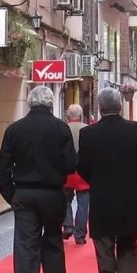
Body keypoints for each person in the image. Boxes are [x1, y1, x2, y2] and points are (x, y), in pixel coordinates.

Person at [0, 86, 77, 273]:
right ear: (50, 103)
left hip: (24, 193)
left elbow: (4, 167)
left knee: (26, 247)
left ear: (30, 103)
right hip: (52, 193)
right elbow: (71, 164)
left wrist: (11, 195)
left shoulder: (15, 129)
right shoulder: (60, 128)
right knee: (53, 243)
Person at [77, 87, 137, 273]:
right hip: (129, 197)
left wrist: (96, 180)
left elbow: (82, 166)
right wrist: (134, 175)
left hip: (101, 199)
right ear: (120, 106)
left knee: (104, 250)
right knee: (128, 245)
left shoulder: (88, 134)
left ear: (100, 108)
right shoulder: (136, 129)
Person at [63, 104, 90, 245]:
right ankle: (80, 234)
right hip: (83, 172)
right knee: (83, 205)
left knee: (65, 201)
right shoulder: (87, 129)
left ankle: (68, 225)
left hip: (66, 172)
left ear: (68, 116)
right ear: (80, 115)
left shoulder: (63, 128)